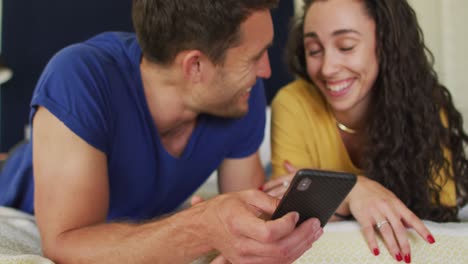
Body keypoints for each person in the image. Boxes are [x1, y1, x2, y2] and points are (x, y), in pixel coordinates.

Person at [0, 0, 325, 263]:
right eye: (254, 57)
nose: (266, 70)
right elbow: (65, 245)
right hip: (15, 195)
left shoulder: (242, 95)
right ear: (194, 65)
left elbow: (250, 211)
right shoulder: (80, 77)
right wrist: (199, 226)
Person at [263, 0, 468, 262]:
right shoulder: (292, 103)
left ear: (385, 44)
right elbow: (289, 211)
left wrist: (326, 193)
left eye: (346, 46)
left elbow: (439, 206)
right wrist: (355, 190)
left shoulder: (425, 107)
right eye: (314, 50)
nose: (327, 68)